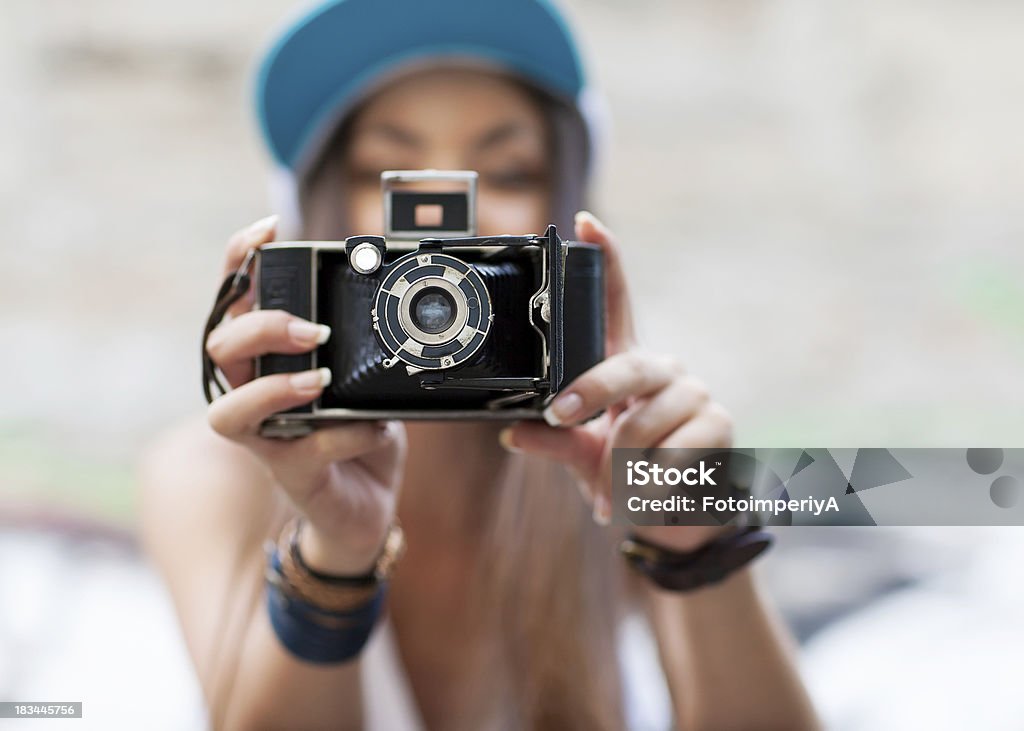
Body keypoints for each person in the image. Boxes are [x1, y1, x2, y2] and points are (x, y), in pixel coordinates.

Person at [141, 1, 819, 728]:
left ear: (564, 223)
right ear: (317, 234)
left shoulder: (628, 443)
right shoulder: (213, 474)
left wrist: (694, 541)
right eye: (385, 169)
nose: (452, 222)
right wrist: (331, 552)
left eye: (506, 169)